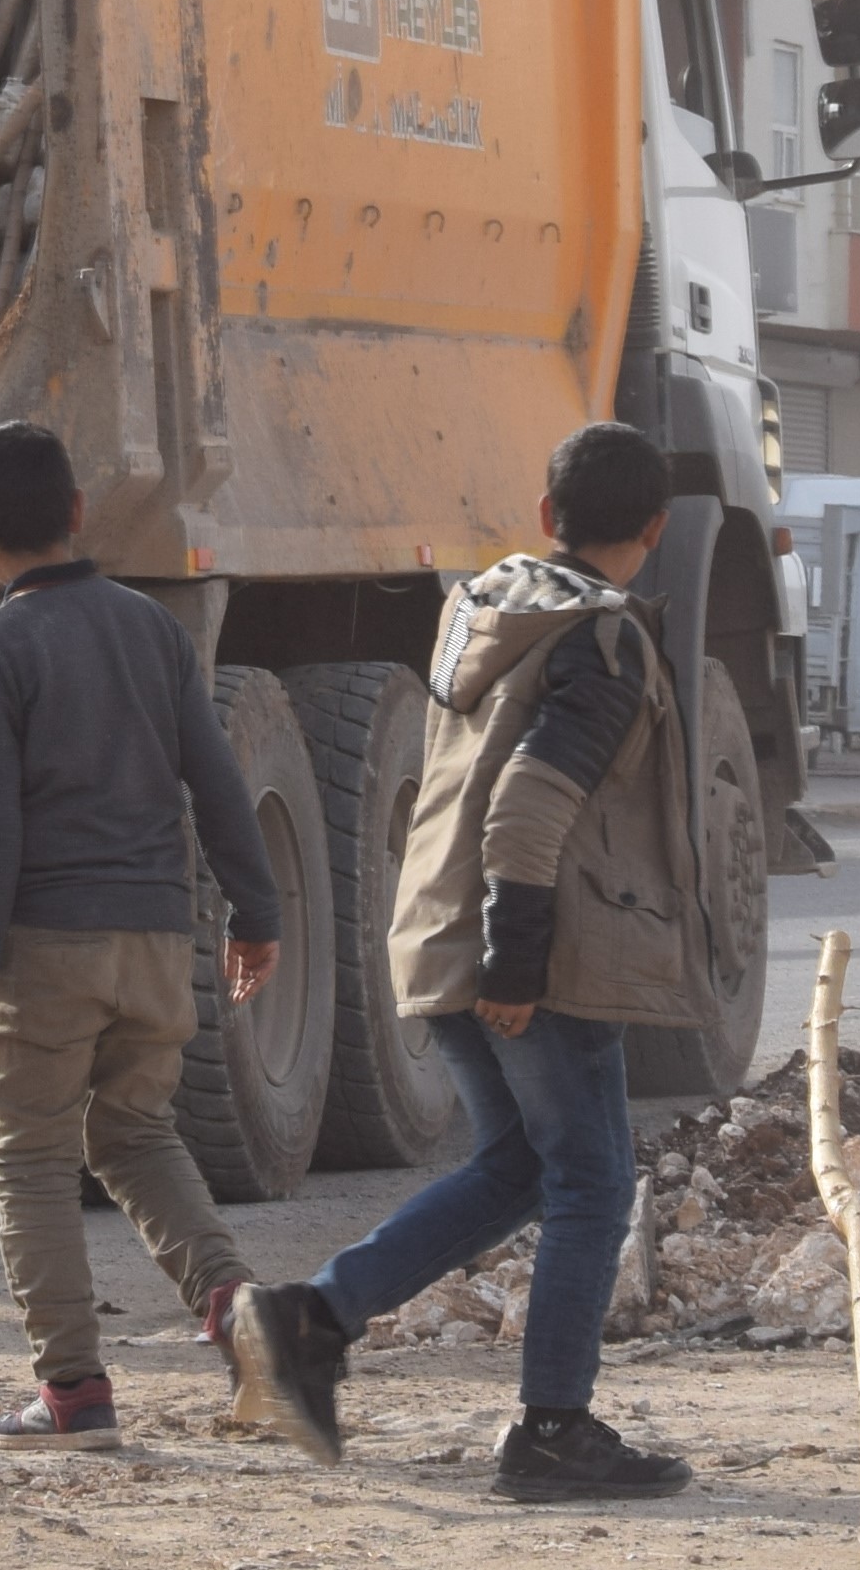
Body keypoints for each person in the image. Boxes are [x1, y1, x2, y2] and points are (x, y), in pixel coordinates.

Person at [228, 419, 709, 1504]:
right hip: (528, 954)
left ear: (546, 514)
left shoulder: (488, 608)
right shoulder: (598, 642)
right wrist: (517, 964)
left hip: (440, 931)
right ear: (656, 530)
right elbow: (529, 810)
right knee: (591, 1183)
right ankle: (553, 1430)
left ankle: (309, 1320)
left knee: (521, 1170)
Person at [0, 420, 325, 1456]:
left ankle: (72, 1393)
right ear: (78, 514)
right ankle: (240, 1311)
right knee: (137, 1134)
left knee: (31, 1160)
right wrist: (257, 915)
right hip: (156, 939)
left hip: (45, 946)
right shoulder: (152, 629)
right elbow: (218, 780)